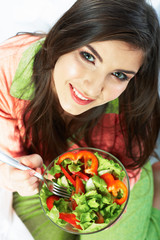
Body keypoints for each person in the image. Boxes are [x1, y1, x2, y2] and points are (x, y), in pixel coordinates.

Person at [0, 0, 160, 239]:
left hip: (117, 178)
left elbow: (128, 164)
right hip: (45, 180)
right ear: (64, 38)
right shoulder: (8, 68)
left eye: (118, 75)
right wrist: (12, 176)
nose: (93, 88)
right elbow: (7, 159)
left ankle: (156, 187)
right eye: (88, 56)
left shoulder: (133, 100)